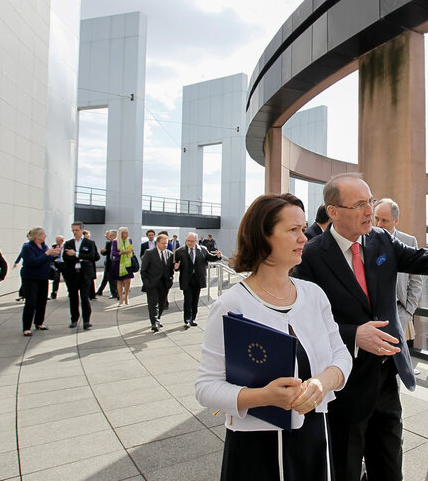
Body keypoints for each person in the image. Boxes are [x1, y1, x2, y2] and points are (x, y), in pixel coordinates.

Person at [295, 173, 428, 481]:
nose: (370, 211)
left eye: (369, 201)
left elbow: (424, 259)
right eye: (359, 204)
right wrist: (353, 334)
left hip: (386, 379)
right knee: (345, 469)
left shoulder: (381, 240)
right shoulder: (311, 257)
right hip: (345, 385)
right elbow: (303, 323)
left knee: (389, 469)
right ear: (333, 211)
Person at [195, 193, 352, 480]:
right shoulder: (232, 305)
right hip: (257, 448)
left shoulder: (313, 295)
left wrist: (321, 382)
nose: (303, 238)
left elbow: (342, 355)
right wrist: (263, 396)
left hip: (314, 436)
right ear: (262, 236)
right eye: (292, 230)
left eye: (303, 229)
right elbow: (206, 388)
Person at [374, 198, 423, 368]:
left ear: (396, 220)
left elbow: (416, 280)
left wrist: (409, 311)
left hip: (399, 310)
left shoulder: (408, 242)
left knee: (396, 361)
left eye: (384, 220)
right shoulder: (366, 240)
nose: (379, 224)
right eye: (376, 219)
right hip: (373, 312)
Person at [19, 227, 61, 336]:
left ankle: (39, 322)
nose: (45, 236)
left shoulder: (44, 246)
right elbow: (33, 261)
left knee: (42, 301)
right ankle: (26, 327)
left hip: (43, 277)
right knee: (31, 302)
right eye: (43, 234)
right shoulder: (27, 247)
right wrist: (47, 254)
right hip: (31, 278)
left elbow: (46, 259)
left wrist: (54, 255)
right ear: (37, 236)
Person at [174, 232, 222, 328]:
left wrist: (218, 256)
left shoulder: (202, 250)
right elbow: (176, 265)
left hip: (198, 279)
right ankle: (187, 319)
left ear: (196, 241)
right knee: (188, 299)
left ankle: (193, 318)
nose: (189, 243)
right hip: (186, 279)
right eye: (187, 241)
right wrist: (176, 267)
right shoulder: (180, 251)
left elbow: (210, 258)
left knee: (195, 300)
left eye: (192, 241)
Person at [63, 221, 101, 330]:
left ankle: (86, 320)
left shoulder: (89, 243)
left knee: (85, 297)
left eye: (77, 230)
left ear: (82, 230)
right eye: (73, 230)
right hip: (72, 274)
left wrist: (76, 254)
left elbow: (92, 256)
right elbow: (66, 258)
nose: (75, 232)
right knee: (73, 297)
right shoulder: (69, 243)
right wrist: (82, 258)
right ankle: (74, 319)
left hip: (85, 274)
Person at [140, 233, 174, 332]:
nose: (165, 245)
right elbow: (143, 270)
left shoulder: (170, 254)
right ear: (157, 243)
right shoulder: (149, 253)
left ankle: (157, 319)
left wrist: (171, 279)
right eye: (163, 243)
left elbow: (170, 269)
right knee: (153, 303)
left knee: (162, 303)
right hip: (152, 283)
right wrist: (146, 282)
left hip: (164, 284)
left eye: (166, 243)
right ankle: (154, 322)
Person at [111, 227, 135, 305]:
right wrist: (123, 252)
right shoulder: (115, 242)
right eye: (125, 232)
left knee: (128, 280)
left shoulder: (129, 240)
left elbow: (131, 250)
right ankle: (120, 297)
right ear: (121, 234)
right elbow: (114, 253)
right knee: (119, 281)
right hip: (119, 262)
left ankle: (126, 296)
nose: (126, 234)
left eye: (127, 232)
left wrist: (131, 251)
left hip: (127, 262)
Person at [96, 230, 119, 299]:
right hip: (108, 263)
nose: (109, 237)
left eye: (111, 235)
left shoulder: (118, 243)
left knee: (112, 280)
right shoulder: (108, 243)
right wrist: (103, 251)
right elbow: (106, 253)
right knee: (106, 278)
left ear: (115, 236)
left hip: (114, 263)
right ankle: (100, 291)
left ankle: (115, 293)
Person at [50, 235, 65, 299]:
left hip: (63, 263)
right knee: (56, 278)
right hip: (56, 264)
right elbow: (51, 256)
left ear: (62, 241)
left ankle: (70, 291)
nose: (57, 242)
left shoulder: (66, 246)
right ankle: (54, 293)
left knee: (67, 278)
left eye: (59, 241)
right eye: (56, 241)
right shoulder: (54, 246)